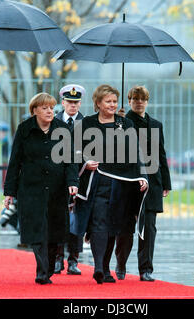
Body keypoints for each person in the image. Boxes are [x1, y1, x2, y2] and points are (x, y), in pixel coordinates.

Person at [72, 84, 148, 284]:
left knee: (113, 224)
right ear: (98, 103)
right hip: (96, 181)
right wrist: (85, 162)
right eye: (108, 101)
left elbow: (135, 152)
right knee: (99, 222)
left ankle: (106, 268)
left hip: (121, 183)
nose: (113, 105)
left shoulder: (125, 124)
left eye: (115, 101)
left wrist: (141, 175)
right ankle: (98, 267)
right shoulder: (87, 123)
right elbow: (74, 150)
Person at [3, 93, 79, 284]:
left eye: (52, 108)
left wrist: (73, 182)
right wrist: (9, 192)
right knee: (37, 229)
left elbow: (70, 160)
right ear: (34, 110)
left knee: (54, 231)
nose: (49, 111)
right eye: (45, 108)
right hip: (31, 188)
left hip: (56, 188)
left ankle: (48, 267)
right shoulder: (24, 130)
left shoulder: (63, 129)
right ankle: (42, 271)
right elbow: (15, 162)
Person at [115, 85, 172, 281]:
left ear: (147, 101)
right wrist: (118, 123)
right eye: (135, 99)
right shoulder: (122, 122)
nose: (139, 102)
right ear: (129, 100)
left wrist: (166, 182)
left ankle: (145, 269)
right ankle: (121, 264)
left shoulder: (156, 124)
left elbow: (161, 154)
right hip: (129, 181)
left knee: (149, 228)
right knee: (126, 227)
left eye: (143, 99)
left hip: (152, 181)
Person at [53, 84, 85, 275]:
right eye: (69, 102)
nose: (73, 106)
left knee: (77, 218)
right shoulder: (54, 121)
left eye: (76, 102)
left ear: (80, 103)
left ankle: (73, 259)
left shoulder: (87, 122)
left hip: (80, 175)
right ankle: (58, 259)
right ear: (63, 102)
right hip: (58, 177)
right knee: (58, 218)